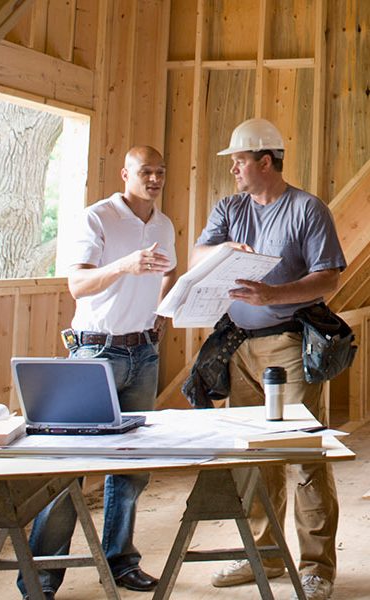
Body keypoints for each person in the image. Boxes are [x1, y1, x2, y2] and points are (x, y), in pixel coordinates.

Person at [188, 118, 345, 600]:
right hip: (238, 347)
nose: (233, 168)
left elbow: (328, 278)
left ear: (264, 162)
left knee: (301, 456)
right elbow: (196, 258)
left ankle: (316, 566)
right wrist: (221, 252)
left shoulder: (306, 210)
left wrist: (273, 292)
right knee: (252, 455)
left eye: (239, 160)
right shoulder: (230, 207)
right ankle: (264, 553)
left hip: (288, 344)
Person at [17, 145, 177, 599]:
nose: (154, 179)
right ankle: (41, 580)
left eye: (160, 172)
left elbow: (170, 272)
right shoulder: (97, 218)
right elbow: (78, 284)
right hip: (95, 354)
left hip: (144, 353)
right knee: (71, 467)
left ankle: (120, 561)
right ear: (125, 173)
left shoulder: (163, 224)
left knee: (132, 466)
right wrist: (126, 265)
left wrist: (160, 312)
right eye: (146, 171)